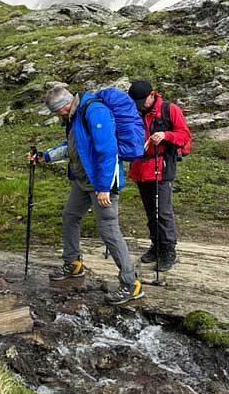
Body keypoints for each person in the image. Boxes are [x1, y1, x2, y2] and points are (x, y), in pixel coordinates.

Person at [31, 86, 143, 305]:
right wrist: (45, 157)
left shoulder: (94, 111)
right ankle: (73, 264)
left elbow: (108, 150)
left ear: (63, 106)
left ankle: (131, 284)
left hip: (101, 183)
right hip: (83, 181)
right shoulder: (75, 116)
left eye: (56, 112)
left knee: (109, 229)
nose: (56, 117)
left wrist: (103, 187)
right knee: (70, 215)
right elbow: (72, 146)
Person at [127, 80, 192, 271]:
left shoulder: (169, 110)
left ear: (152, 95)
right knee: (150, 211)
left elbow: (185, 135)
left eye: (142, 102)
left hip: (162, 166)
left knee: (163, 211)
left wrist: (166, 135)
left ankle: (168, 250)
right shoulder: (137, 111)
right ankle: (155, 247)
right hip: (141, 167)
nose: (141, 106)